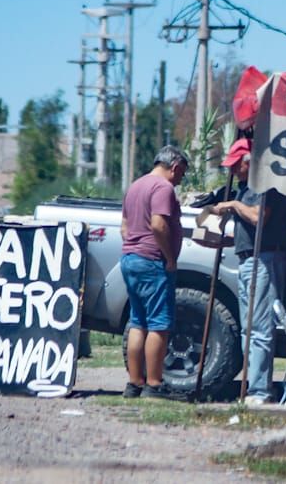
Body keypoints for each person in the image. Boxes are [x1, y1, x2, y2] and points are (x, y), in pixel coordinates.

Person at [214, 137, 286, 405]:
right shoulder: (245, 188)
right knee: (249, 328)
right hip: (250, 259)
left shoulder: (267, 184)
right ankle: (254, 388)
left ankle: (259, 391)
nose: (233, 171)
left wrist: (234, 206)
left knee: (259, 327)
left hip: (265, 258)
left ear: (251, 162)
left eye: (237, 165)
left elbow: (260, 218)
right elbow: (248, 228)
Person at [119, 144, 189, 400]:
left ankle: (134, 383)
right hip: (152, 261)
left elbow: (125, 228)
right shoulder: (163, 188)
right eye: (181, 175)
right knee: (159, 324)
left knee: (138, 322)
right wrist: (169, 257)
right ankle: (154, 384)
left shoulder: (135, 186)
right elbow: (159, 225)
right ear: (175, 167)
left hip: (130, 259)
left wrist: (134, 246)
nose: (180, 180)